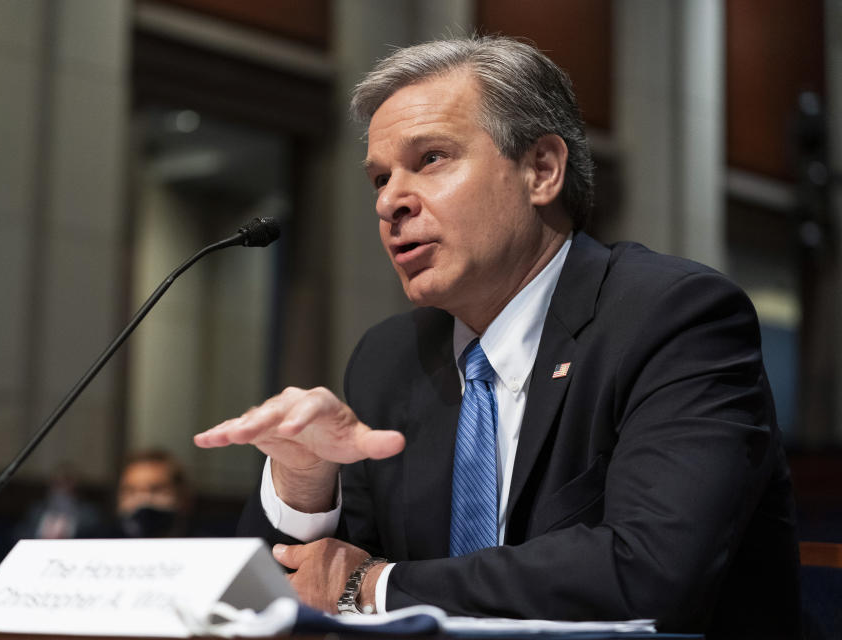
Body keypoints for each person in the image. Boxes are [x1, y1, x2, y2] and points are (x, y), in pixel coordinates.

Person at [194, 36, 800, 636]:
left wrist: (374, 585)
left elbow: (650, 573)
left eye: (430, 158)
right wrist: (303, 483)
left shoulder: (674, 317)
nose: (390, 203)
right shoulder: (389, 358)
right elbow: (284, 598)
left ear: (541, 170)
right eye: (380, 178)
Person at [113, 449, 194, 538]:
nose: (142, 500)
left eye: (155, 490)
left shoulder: (205, 542)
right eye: (131, 491)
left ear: (182, 496)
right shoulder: (103, 542)